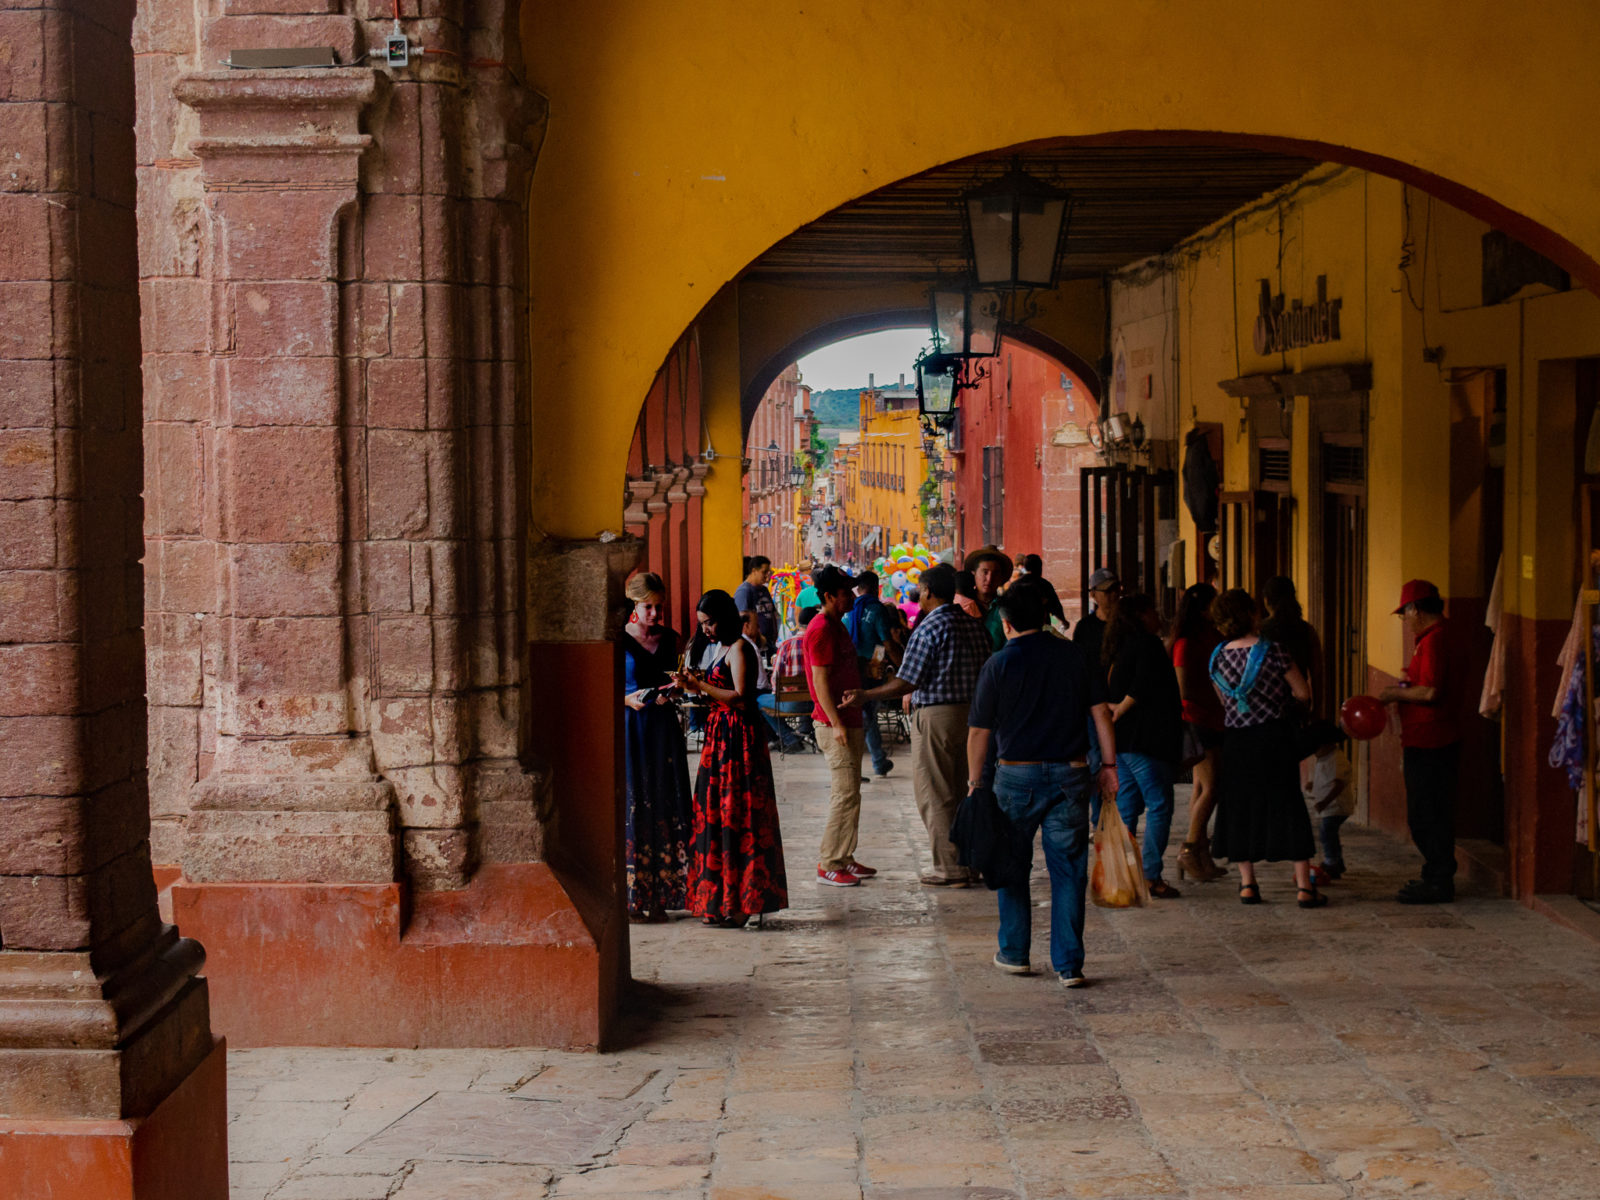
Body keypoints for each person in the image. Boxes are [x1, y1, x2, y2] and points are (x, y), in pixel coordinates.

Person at [967, 580, 1118, 987]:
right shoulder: (1075, 656)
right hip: (1070, 773)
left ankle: (1015, 953)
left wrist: (974, 781)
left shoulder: (998, 663)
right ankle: (1069, 964)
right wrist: (1109, 765)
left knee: (1012, 863)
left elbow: (980, 731)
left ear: (1007, 622)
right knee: (1068, 871)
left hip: (1015, 775)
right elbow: (1101, 714)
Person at [844, 564, 993, 887]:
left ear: (927, 592)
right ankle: (970, 864)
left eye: (922, 591)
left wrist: (865, 694)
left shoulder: (930, 628)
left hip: (938, 718)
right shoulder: (974, 625)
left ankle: (950, 869)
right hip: (974, 718)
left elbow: (907, 681)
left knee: (935, 793)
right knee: (965, 790)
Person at [672, 590, 788, 927]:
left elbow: (739, 698)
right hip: (721, 736)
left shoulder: (739, 648)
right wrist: (692, 687)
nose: (706, 629)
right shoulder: (720, 648)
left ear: (724, 616)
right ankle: (721, 900)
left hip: (739, 738)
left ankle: (741, 904)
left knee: (740, 813)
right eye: (703, 624)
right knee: (717, 814)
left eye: (709, 622)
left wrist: (701, 686)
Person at [1207, 588, 1327, 908]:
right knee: (1287, 804)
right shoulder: (1274, 651)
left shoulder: (1217, 657)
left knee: (1239, 807)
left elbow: (1225, 702)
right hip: (1274, 739)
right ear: (1251, 614)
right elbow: (1303, 693)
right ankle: (1304, 887)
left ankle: (1248, 884)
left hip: (1236, 741)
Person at [1377, 579, 1460, 904]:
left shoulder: (1436, 640)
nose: (1405, 619)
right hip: (1430, 736)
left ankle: (1440, 879)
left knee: (1426, 813)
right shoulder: (1433, 638)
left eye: (1405, 613)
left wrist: (1392, 693)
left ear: (1415, 608)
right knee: (1432, 810)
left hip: (1432, 738)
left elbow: (1430, 691)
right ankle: (1434, 873)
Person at [619, 572, 692, 922]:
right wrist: (625, 699)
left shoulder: (672, 640)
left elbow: (679, 681)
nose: (654, 614)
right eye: (647, 607)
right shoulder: (618, 641)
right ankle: (634, 897)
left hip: (663, 728)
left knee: (665, 803)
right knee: (635, 803)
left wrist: (676, 689)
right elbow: (607, 688)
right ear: (634, 605)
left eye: (658, 607)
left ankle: (664, 896)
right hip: (632, 726)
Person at [1102, 593, 1185, 899]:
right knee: (1160, 806)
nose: (1157, 615)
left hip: (1123, 742)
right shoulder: (1147, 645)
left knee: (1127, 809)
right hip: (1147, 740)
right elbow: (1143, 684)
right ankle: (1150, 876)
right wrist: (1122, 709)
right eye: (1153, 610)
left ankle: (1123, 873)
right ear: (1140, 614)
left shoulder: (1118, 647)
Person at [804, 565, 875, 887]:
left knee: (852, 793)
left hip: (849, 718)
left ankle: (845, 855)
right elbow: (819, 681)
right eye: (845, 593)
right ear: (829, 596)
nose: (851, 597)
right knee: (844, 794)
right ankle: (829, 862)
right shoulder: (821, 629)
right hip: (835, 723)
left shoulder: (837, 625)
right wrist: (836, 723)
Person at [1171, 583, 1228, 882]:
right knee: (1211, 786)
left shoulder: (1210, 636)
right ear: (1204, 608)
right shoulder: (1185, 643)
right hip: (1198, 719)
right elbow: (1183, 688)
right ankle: (1191, 848)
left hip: (1215, 717)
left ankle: (1200, 850)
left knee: (1201, 787)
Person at [842, 570, 901, 779]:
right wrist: (902, 667)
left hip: (848, 668)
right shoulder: (877, 610)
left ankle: (877, 759)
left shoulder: (848, 609)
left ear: (858, 589)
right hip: (870, 669)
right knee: (866, 712)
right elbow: (888, 643)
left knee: (863, 713)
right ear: (876, 588)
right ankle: (873, 760)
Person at [758, 605, 817, 754]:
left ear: (799, 623)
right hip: (818, 702)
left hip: (792, 704)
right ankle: (806, 732)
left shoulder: (786, 646)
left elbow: (776, 681)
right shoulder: (819, 644)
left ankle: (789, 737)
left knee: (757, 700)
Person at [1302, 718, 1353, 885]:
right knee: (1329, 833)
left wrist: (1325, 801)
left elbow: (1338, 784)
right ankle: (1336, 862)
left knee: (1326, 833)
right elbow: (1325, 778)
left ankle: (1331, 861)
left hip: (1335, 806)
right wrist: (1313, 784)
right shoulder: (1324, 758)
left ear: (1328, 744)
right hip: (1329, 807)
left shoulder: (1336, 758)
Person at [1260, 575, 1321, 702]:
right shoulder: (1306, 629)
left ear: (1266, 600)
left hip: (1266, 701)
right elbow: (1316, 672)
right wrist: (1317, 705)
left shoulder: (1259, 631)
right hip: (1296, 699)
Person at [1073, 566, 1122, 674]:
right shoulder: (1084, 627)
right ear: (1093, 594)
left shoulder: (1127, 624)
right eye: (1108, 591)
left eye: (1116, 589)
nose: (1114, 594)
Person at [965, 545, 1014, 650]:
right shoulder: (963, 606)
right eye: (985, 572)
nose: (989, 578)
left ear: (1001, 577)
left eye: (995, 573)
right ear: (974, 573)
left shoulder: (1007, 608)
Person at [735, 556, 780, 650]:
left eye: (768, 572)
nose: (767, 576)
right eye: (764, 572)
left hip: (769, 644)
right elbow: (743, 622)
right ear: (754, 571)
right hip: (755, 646)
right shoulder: (744, 591)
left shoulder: (764, 590)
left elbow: (772, 613)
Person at [1017, 553, 1066, 626]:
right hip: (1041, 627)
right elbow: (1055, 606)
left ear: (1025, 567)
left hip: (1021, 627)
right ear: (1039, 568)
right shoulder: (1044, 585)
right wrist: (1063, 621)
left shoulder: (1015, 585)